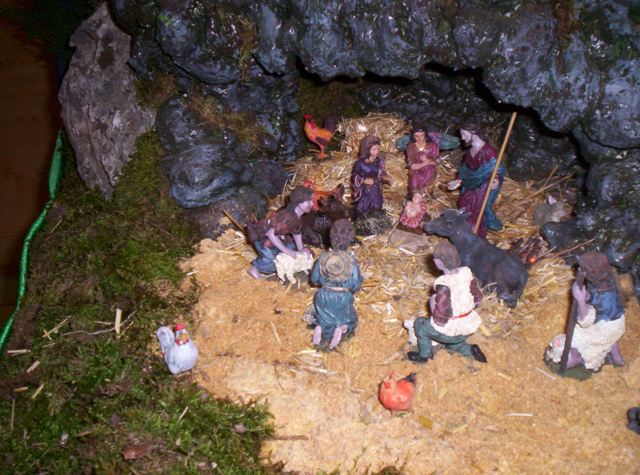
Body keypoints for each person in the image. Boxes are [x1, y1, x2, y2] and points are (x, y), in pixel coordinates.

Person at [545, 251, 625, 372]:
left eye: (585, 270)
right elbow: (593, 306)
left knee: (576, 337)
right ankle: (615, 356)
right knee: (580, 335)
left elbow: (586, 321)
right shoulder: (602, 284)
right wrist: (586, 298)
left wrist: (581, 300)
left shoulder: (605, 295)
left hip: (605, 329)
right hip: (606, 323)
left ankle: (580, 358)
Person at [408, 243, 487, 363]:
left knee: (420, 324)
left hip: (452, 328)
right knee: (452, 344)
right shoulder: (466, 273)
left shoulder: (444, 284)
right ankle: (470, 350)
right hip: (468, 324)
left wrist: (433, 304)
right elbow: (478, 298)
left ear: (440, 262)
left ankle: (425, 356)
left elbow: (441, 318)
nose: (434, 261)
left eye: (436, 259)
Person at [310, 219, 362, 350]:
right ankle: (342, 328)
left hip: (323, 294)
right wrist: (353, 288)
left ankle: (320, 327)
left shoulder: (323, 257)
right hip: (342, 296)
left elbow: (314, 278)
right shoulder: (351, 260)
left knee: (323, 314)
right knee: (348, 317)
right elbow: (356, 283)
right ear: (350, 238)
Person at [448, 123, 504, 238]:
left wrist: (495, 180)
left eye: (464, 134)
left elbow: (495, 168)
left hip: (485, 183)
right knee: (463, 202)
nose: (462, 137)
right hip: (471, 183)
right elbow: (465, 171)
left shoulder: (488, 151)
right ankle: (466, 229)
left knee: (477, 206)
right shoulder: (469, 152)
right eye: (462, 134)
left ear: (474, 133)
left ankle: (477, 233)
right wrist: (458, 181)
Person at [247, 186, 314, 279]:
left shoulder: (297, 217)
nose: (312, 203)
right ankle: (255, 269)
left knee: (291, 246)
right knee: (272, 259)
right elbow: (270, 233)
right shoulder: (288, 217)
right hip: (261, 235)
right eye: (308, 201)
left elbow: (297, 233)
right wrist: (288, 252)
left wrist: (301, 250)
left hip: (275, 236)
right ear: (299, 202)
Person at [351, 135, 391, 218]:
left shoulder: (379, 161)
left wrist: (385, 177)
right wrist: (364, 180)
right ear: (367, 149)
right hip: (365, 190)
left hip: (375, 188)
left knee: (377, 205)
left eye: (377, 149)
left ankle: (375, 220)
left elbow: (381, 172)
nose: (376, 151)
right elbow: (354, 176)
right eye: (374, 149)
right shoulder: (360, 163)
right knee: (363, 208)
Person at [406, 126, 439, 194]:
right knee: (414, 192)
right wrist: (424, 163)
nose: (419, 138)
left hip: (429, 172)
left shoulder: (433, 146)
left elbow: (437, 162)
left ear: (425, 135)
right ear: (413, 136)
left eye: (422, 135)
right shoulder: (411, 147)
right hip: (416, 172)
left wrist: (428, 161)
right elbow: (411, 165)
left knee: (427, 192)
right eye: (416, 136)